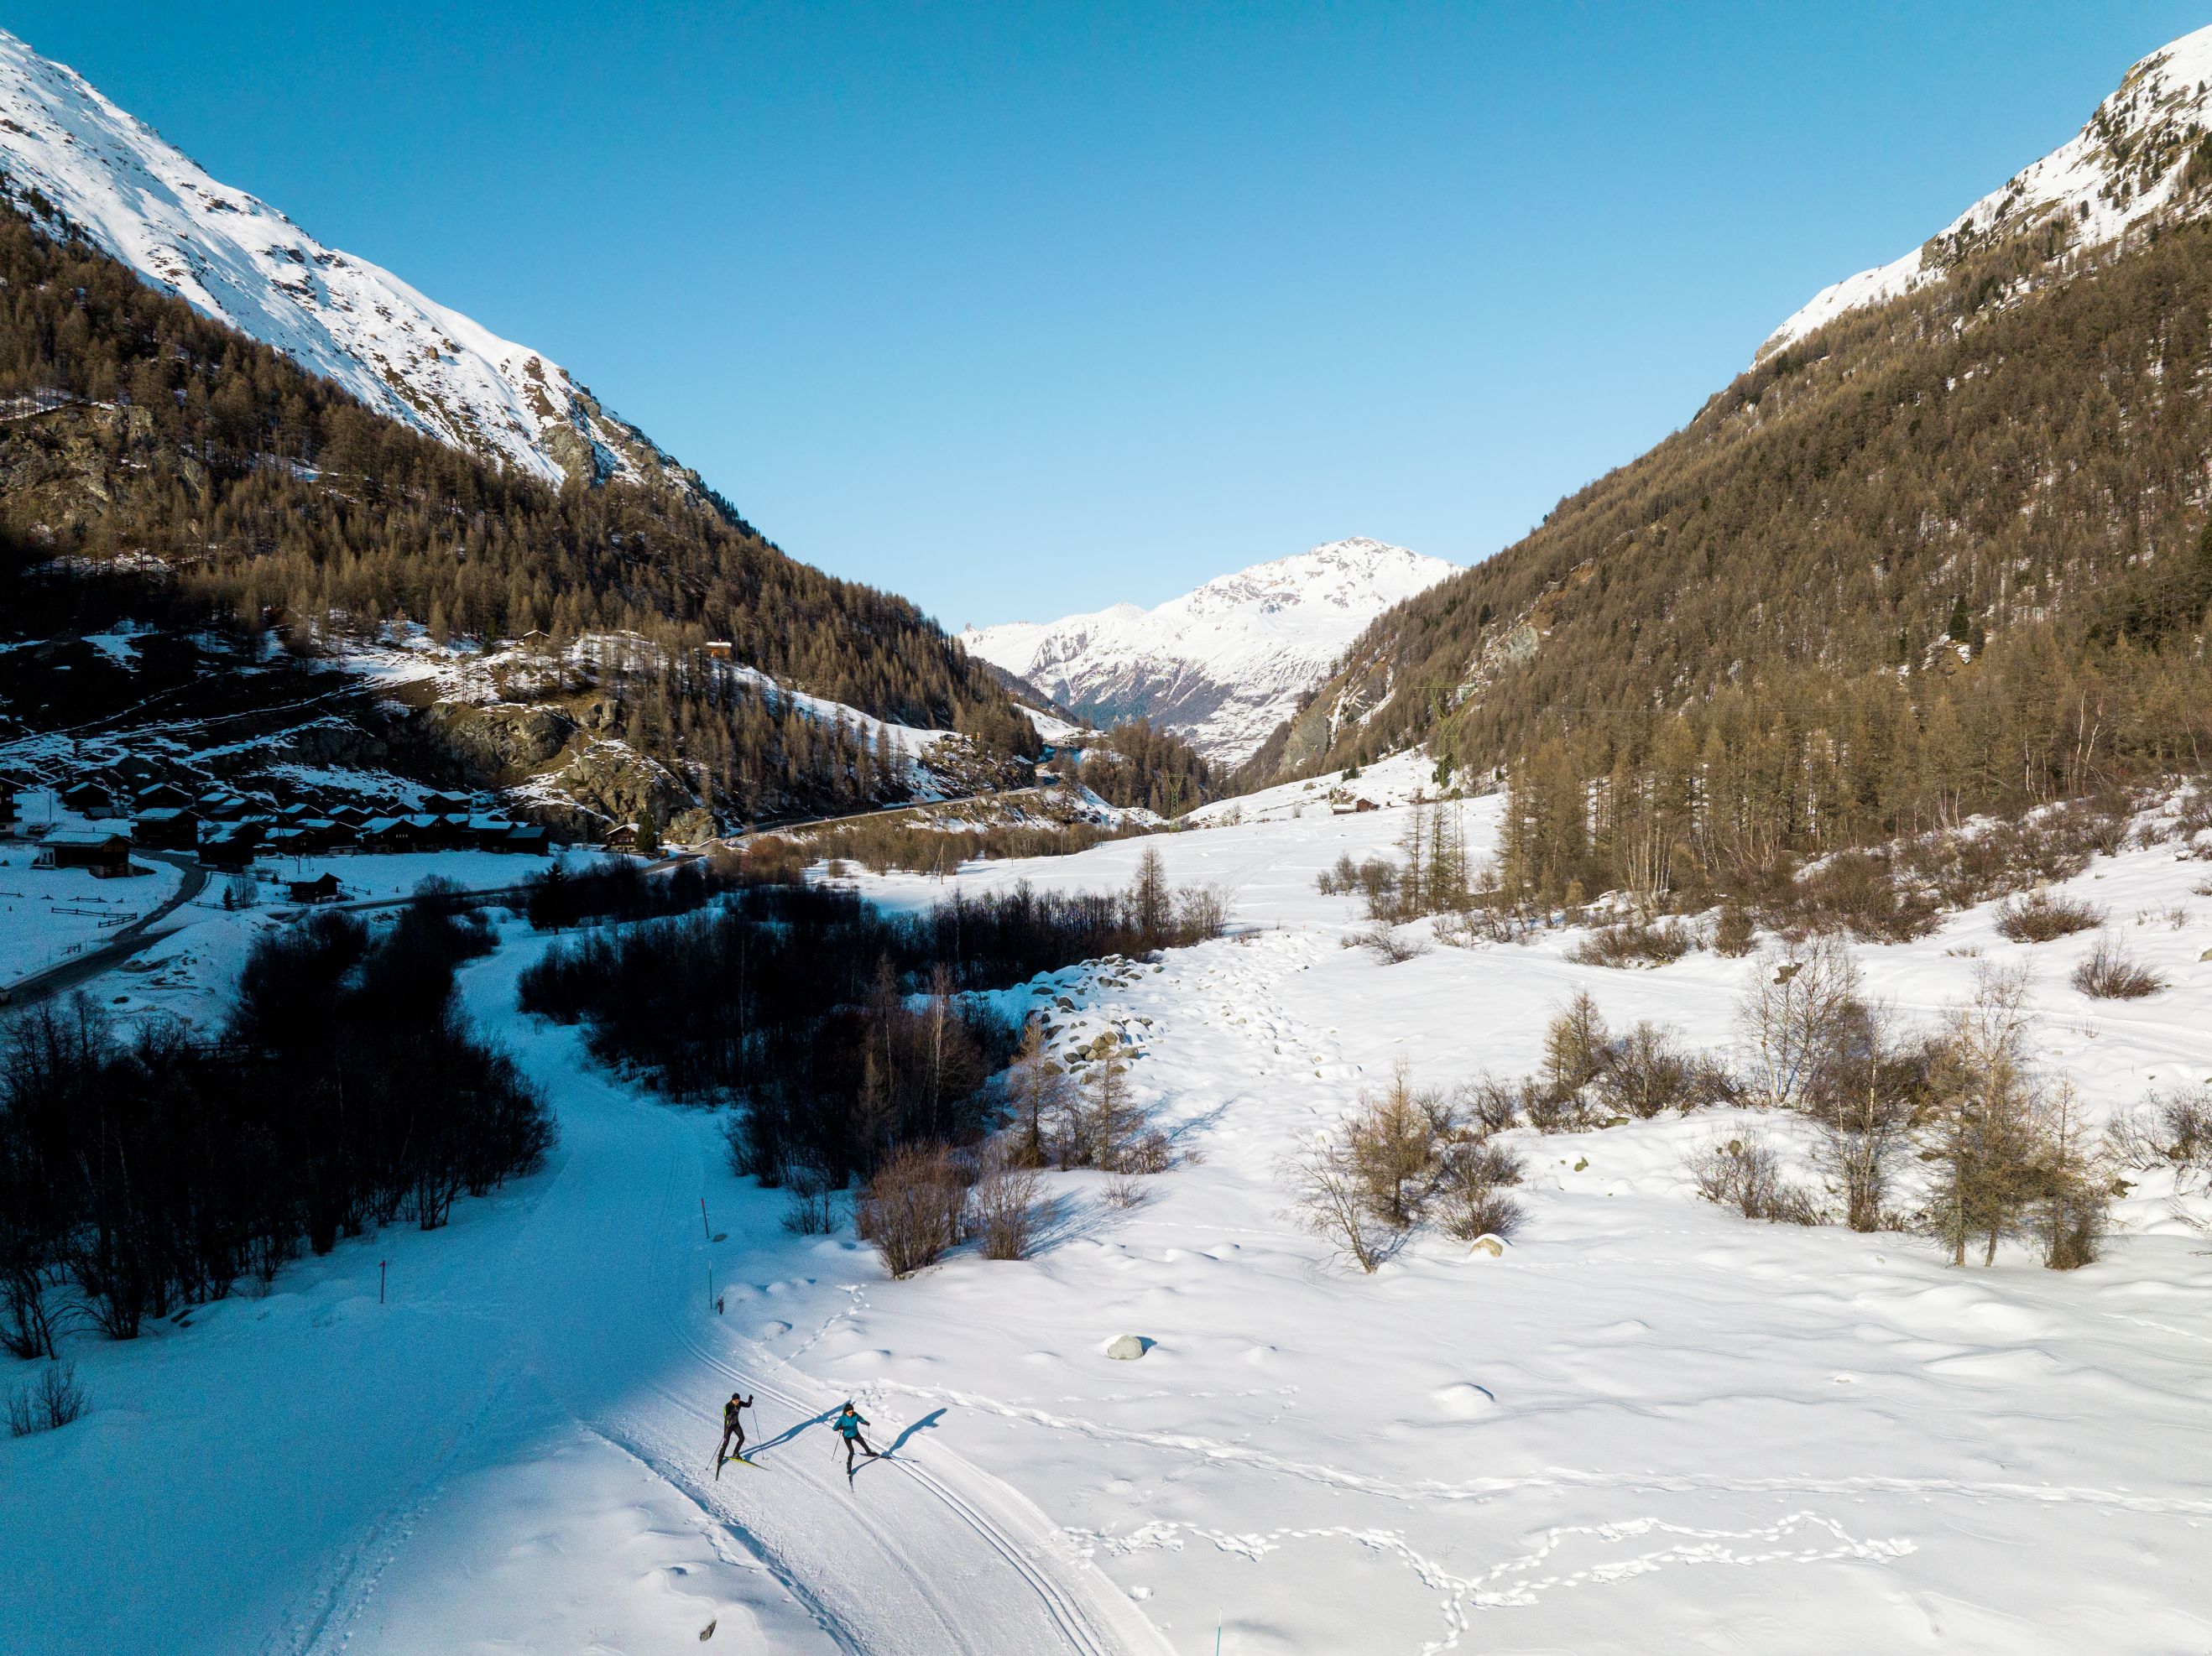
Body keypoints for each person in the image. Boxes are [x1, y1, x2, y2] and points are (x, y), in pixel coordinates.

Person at [834, 1401, 879, 1473]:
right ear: (845, 1412)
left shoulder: (855, 1415)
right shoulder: (842, 1419)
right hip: (847, 1436)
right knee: (851, 1452)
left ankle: (869, 1453)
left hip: (855, 1433)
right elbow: (834, 1428)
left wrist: (865, 1423)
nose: (851, 1413)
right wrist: (840, 1427)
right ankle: (849, 1467)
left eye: (852, 1412)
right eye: (849, 1412)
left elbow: (860, 1419)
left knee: (864, 1444)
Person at [717, 1391, 754, 1468]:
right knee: (726, 1442)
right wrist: (732, 1413)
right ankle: (720, 1459)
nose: (738, 1402)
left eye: (739, 1400)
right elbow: (726, 1417)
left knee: (742, 1438)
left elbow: (748, 1405)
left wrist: (750, 1400)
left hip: (736, 1424)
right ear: (733, 1400)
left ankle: (736, 1453)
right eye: (737, 1401)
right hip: (729, 1426)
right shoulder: (727, 1406)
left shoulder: (739, 1403)